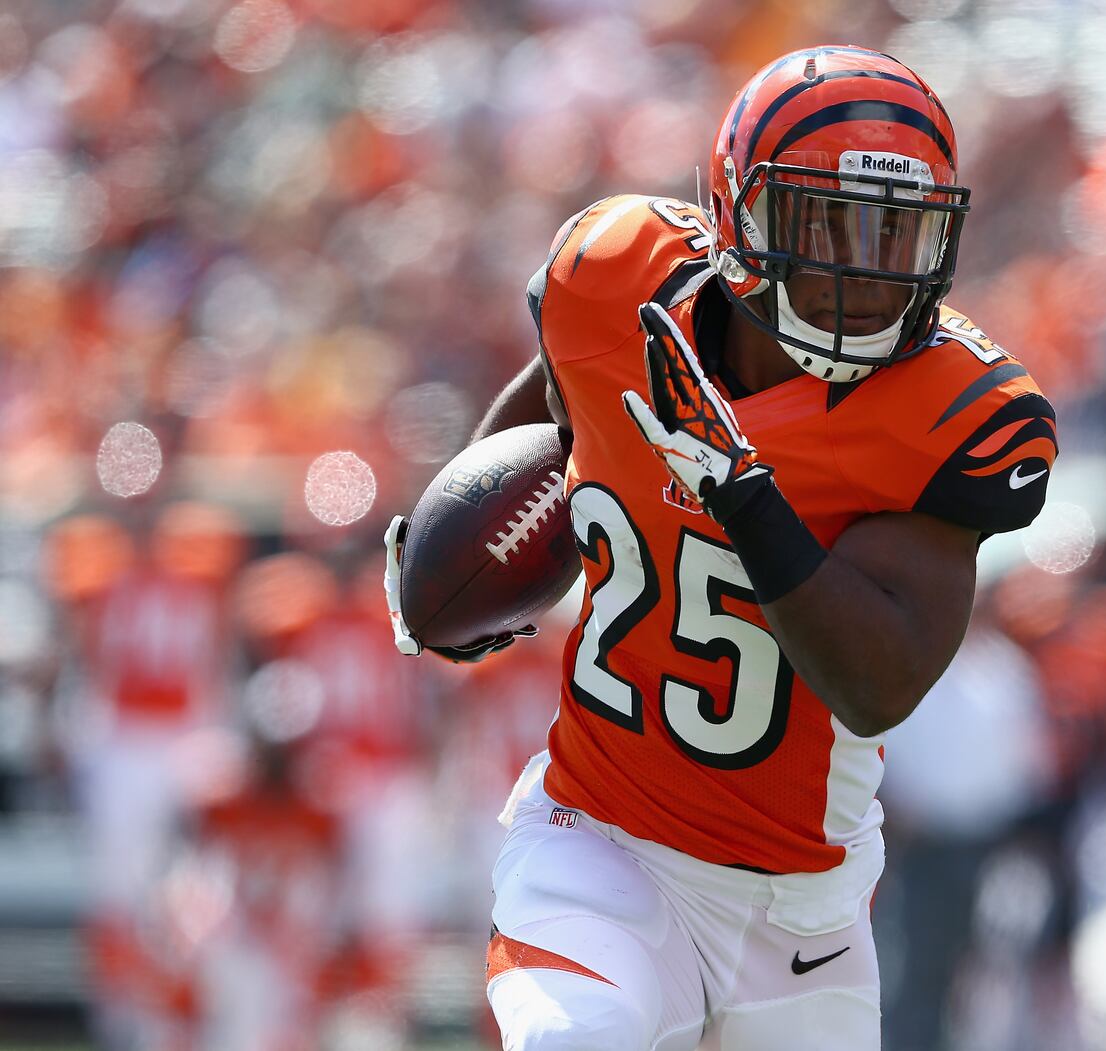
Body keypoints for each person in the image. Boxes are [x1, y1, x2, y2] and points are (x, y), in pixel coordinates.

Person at [385, 45, 1057, 1050]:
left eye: (893, 235)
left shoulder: (952, 413)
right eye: (828, 221)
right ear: (740, 212)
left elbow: (877, 684)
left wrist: (739, 490)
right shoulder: (613, 279)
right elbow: (552, 428)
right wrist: (466, 569)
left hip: (804, 913)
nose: (859, 270)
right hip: (602, 844)